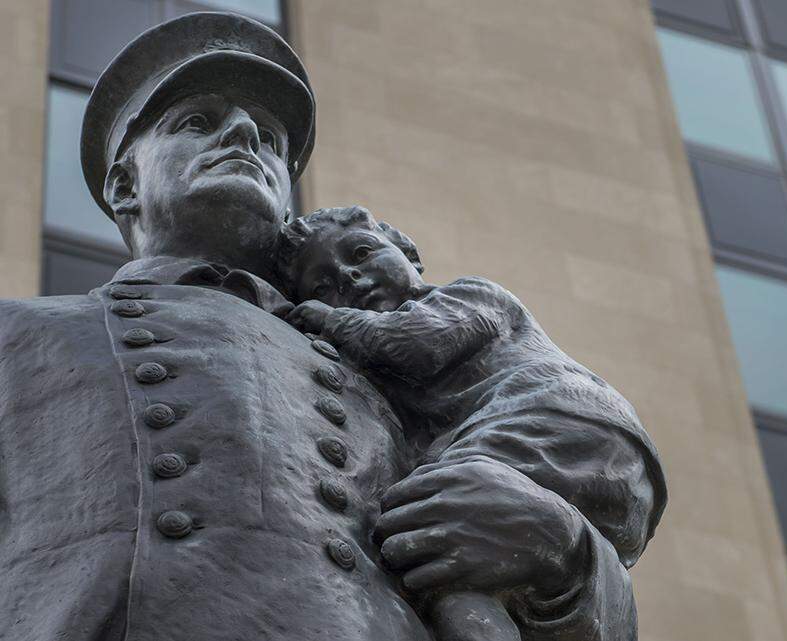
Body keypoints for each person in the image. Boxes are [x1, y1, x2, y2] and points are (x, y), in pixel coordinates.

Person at [0, 12, 663, 641]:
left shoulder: (403, 383)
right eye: (198, 121)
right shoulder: (19, 337)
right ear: (124, 184)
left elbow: (592, 555)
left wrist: (562, 551)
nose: (242, 138)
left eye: (268, 138)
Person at [279, 207, 665, 641]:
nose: (348, 277)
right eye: (323, 286)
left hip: (557, 423)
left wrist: (327, 317)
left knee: (436, 528)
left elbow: (413, 343)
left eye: (362, 252)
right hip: (597, 472)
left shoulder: (468, 296)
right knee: (451, 568)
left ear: (408, 252)